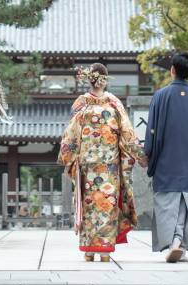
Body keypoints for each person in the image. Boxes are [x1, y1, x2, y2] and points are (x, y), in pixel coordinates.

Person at [58, 64, 148, 261]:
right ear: (105, 80)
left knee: (88, 206)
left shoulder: (81, 104)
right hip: (109, 167)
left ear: (88, 79)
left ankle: (89, 250)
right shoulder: (114, 103)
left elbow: (70, 136)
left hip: (87, 167)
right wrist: (141, 156)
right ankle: (105, 250)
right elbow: (127, 134)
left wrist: (68, 160)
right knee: (106, 205)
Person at [144, 50, 188, 262]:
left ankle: (175, 241)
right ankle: (180, 243)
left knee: (167, 204)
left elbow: (152, 132)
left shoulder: (160, 96)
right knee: (185, 203)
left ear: (172, 70)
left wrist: (149, 155)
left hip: (166, 163)